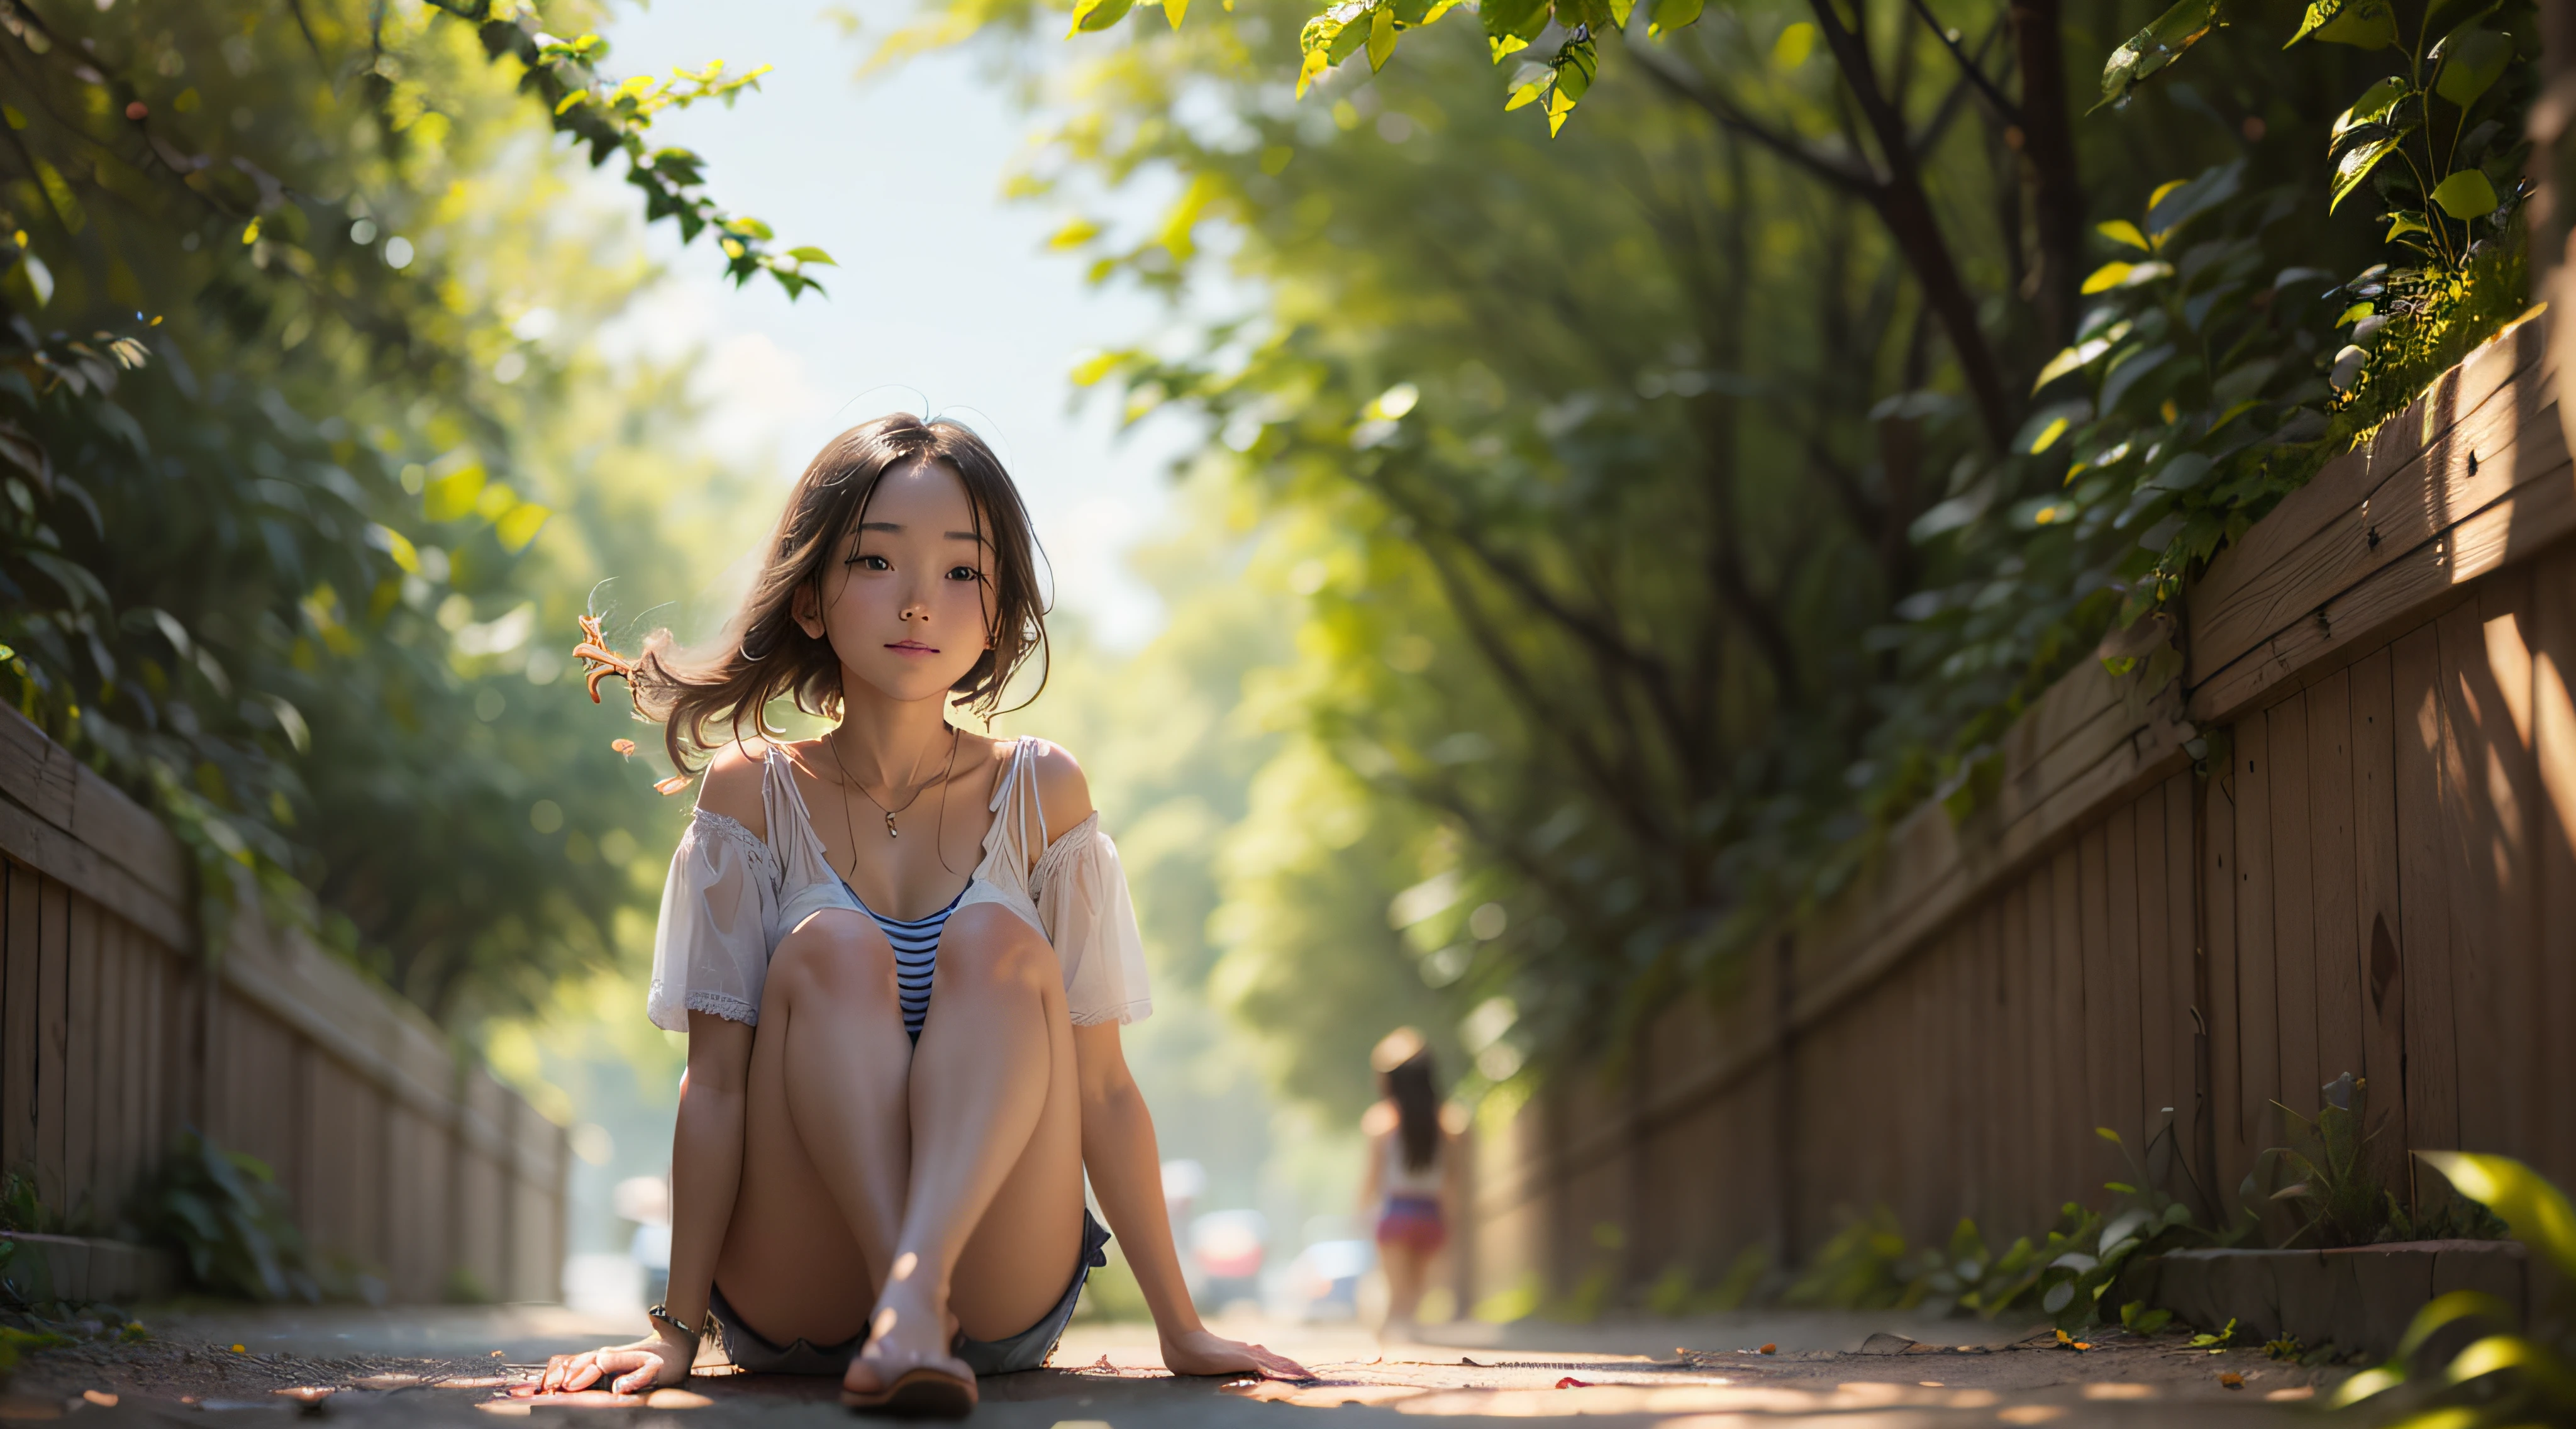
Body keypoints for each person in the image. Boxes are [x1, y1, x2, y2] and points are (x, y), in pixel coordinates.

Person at [533, 416, 1304, 1416]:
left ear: (999, 614)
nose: (916, 602)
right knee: (831, 950)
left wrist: (1182, 1327)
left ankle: (915, 1300)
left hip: (993, 1291)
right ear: (809, 598)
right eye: (876, 560)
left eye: (959, 572)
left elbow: (1104, 1088)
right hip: (798, 1287)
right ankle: (907, 1309)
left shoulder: (1046, 793)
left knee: (997, 942)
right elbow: (714, 1085)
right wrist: (677, 1334)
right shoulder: (750, 797)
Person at [1355, 1028, 1462, 1340]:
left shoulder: (1382, 1123)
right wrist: (1449, 1220)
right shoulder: (1449, 1124)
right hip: (1431, 1215)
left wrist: (1362, 1213)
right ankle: (1409, 1350)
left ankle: (1387, 1359)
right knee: (1414, 1301)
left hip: (1397, 1214)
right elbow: (1453, 1180)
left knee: (1395, 1300)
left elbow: (1372, 1179)